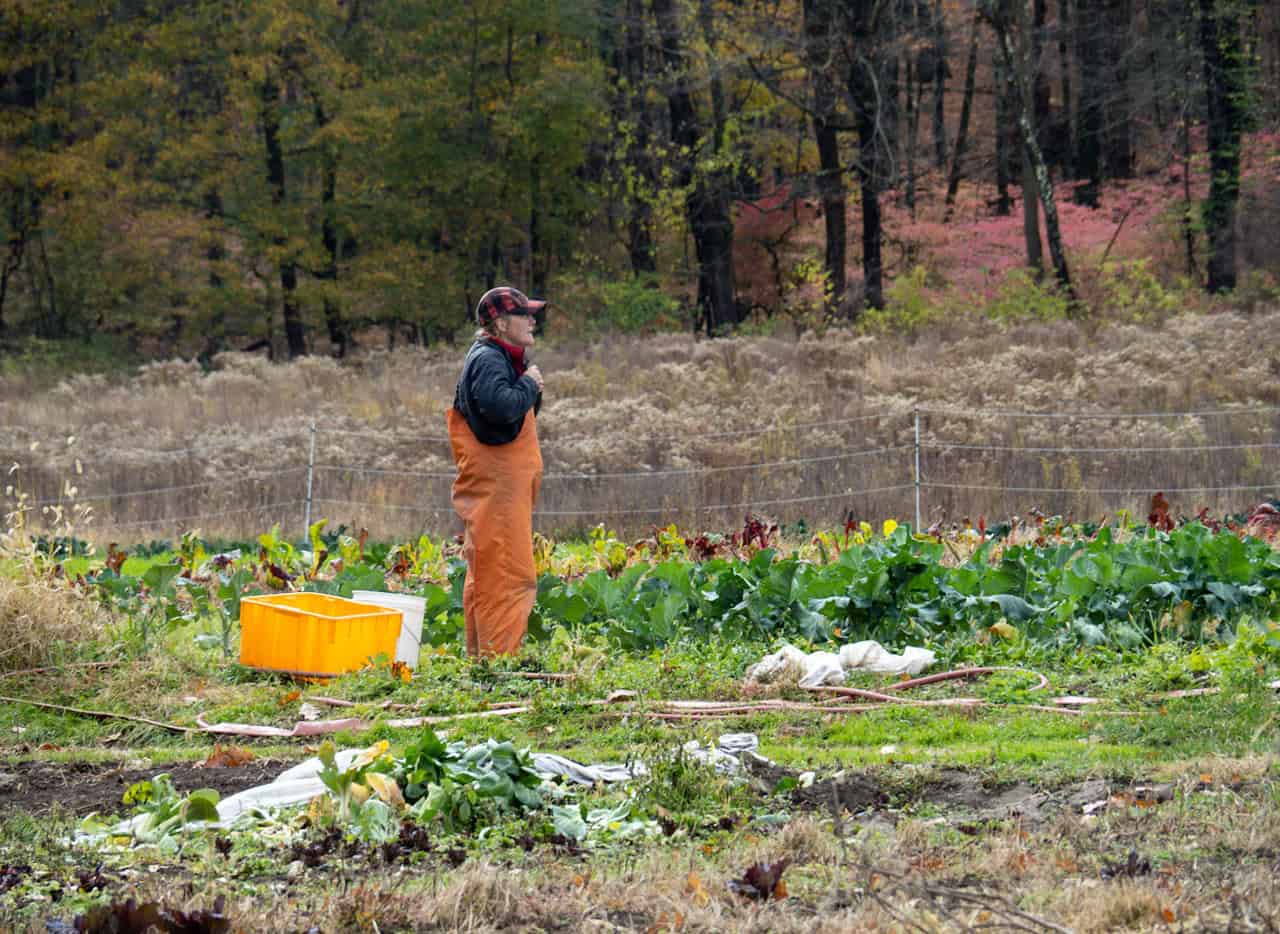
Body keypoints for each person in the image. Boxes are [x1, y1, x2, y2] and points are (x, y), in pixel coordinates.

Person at [446, 286, 547, 656]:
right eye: (524, 315)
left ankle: (484, 658)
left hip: (500, 485)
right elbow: (500, 407)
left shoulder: (496, 356)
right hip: (499, 487)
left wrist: (527, 385)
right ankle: (499, 662)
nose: (533, 321)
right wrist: (529, 384)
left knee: (489, 569)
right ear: (502, 324)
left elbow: (510, 410)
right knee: (506, 571)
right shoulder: (489, 359)